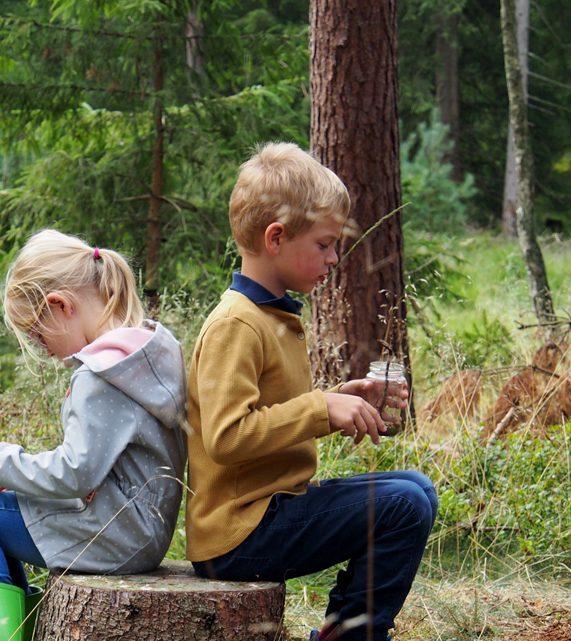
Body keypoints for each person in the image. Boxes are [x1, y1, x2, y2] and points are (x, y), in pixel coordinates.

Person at [186, 143, 437, 641]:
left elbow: (272, 413)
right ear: (276, 238)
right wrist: (321, 407)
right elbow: (227, 436)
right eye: (324, 244)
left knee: (417, 488)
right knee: (403, 505)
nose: (334, 257)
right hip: (237, 535)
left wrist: (343, 396)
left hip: (272, 509)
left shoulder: (270, 315)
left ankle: (344, 629)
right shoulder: (236, 324)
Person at [0, 229, 188, 641]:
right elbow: (104, 468)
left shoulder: (99, 378)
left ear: (60, 305)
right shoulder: (148, 351)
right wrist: (16, 481)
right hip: (141, 528)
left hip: (114, 533)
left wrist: (0, 461)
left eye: (39, 336)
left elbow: (76, 472)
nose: (45, 350)